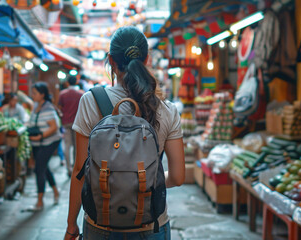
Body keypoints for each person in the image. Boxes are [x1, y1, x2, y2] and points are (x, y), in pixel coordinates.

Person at [64, 26, 185, 240]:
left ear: (111, 60)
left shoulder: (91, 101)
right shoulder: (167, 109)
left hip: (100, 225)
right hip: (151, 226)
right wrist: (144, 179)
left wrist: (71, 225)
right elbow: (177, 177)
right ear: (146, 59)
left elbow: (79, 170)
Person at [28, 82, 62, 210]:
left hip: (49, 141)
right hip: (37, 142)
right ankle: (55, 191)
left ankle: (40, 202)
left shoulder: (48, 107)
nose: (33, 95)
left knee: (39, 169)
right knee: (44, 168)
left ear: (42, 94)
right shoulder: (36, 105)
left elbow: (54, 127)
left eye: (35, 93)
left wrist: (41, 136)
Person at [58, 76, 84, 177]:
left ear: (67, 83)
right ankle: (75, 167)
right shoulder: (81, 94)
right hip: (77, 123)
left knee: (67, 146)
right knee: (76, 146)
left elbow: (59, 108)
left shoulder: (62, 94)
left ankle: (68, 168)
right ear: (76, 82)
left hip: (66, 122)